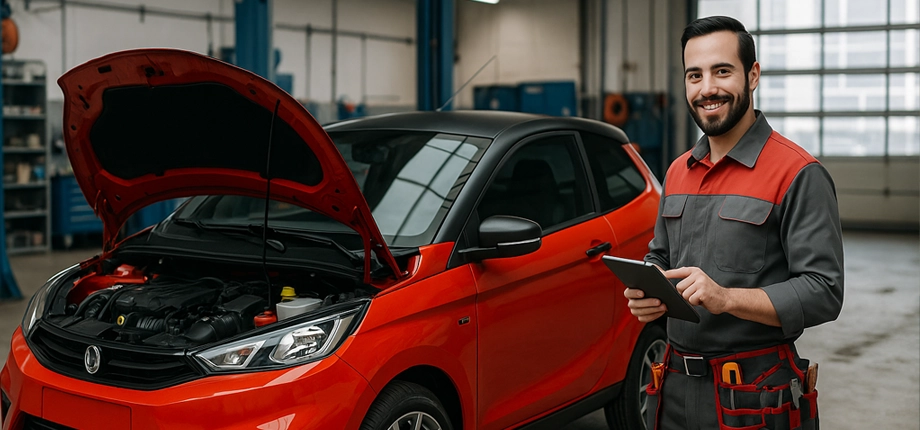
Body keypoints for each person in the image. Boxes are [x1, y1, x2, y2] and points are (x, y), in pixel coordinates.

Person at [624, 16, 844, 430]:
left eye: (722, 71)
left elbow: (824, 291)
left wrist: (727, 298)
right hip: (670, 388)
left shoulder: (798, 173)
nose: (707, 88)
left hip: (755, 397)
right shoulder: (677, 171)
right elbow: (662, 253)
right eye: (695, 75)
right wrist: (651, 285)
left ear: (753, 75)